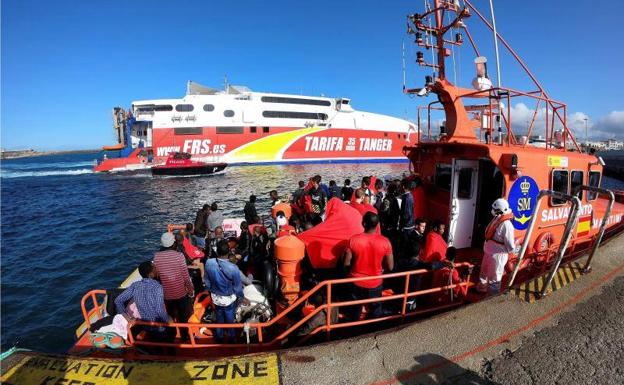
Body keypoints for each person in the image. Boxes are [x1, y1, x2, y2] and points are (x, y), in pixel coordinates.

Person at [343, 212, 394, 321]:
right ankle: (372, 329)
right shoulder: (385, 242)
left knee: (354, 311)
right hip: (375, 283)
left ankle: (353, 330)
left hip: (356, 282)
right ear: (377, 224)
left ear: (363, 223)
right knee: (375, 311)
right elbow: (390, 267)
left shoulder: (353, 240)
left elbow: (346, 263)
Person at [204, 240, 250, 342]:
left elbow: (206, 281)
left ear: (217, 251)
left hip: (215, 297)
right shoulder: (233, 268)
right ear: (228, 252)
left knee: (219, 316)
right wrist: (242, 298)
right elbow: (238, 287)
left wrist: (209, 291)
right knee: (230, 318)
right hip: (228, 298)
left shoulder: (209, 263)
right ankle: (232, 338)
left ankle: (219, 337)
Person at [153, 233, 194, 327]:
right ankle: (184, 335)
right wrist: (191, 291)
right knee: (183, 316)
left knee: (171, 314)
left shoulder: (156, 257)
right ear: (173, 243)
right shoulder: (179, 256)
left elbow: (158, 276)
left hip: (166, 294)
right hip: (181, 293)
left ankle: (173, 331)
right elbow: (186, 277)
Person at [477, 198, 515, 294]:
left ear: (501, 210)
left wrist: (510, 252)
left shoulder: (507, 225)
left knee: (495, 278)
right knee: (484, 272)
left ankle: (492, 298)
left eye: (495, 210)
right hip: (489, 253)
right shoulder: (497, 218)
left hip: (498, 255)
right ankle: (481, 289)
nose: (493, 211)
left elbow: (510, 244)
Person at [399, 179, 416, 259]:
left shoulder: (406, 198)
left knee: (405, 244)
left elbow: (406, 214)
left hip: (407, 226)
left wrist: (402, 225)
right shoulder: (410, 196)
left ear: (403, 187)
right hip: (410, 224)